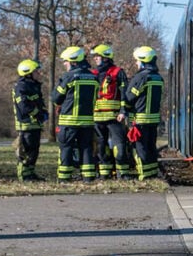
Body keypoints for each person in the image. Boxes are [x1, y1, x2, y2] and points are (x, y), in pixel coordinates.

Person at [52, 46, 98, 183]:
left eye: (65, 61)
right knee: (86, 149)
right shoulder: (93, 77)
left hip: (68, 122)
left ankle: (64, 178)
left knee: (66, 148)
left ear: (73, 61)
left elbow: (56, 98)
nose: (64, 64)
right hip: (88, 122)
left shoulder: (68, 77)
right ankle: (88, 177)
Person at [120, 45, 163, 180]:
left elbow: (130, 97)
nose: (136, 63)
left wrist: (124, 109)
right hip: (153, 120)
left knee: (140, 148)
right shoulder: (158, 77)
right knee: (151, 147)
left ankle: (144, 175)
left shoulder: (141, 78)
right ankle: (152, 173)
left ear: (143, 61)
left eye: (137, 60)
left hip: (140, 119)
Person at [90, 44, 128, 179]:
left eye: (97, 57)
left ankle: (122, 172)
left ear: (105, 58)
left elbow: (125, 93)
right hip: (97, 117)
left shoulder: (118, 72)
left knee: (120, 144)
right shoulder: (93, 74)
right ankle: (104, 173)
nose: (95, 59)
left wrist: (123, 111)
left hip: (114, 117)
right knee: (101, 146)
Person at [13, 59, 49, 181]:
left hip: (34, 125)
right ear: (28, 73)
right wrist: (37, 114)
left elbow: (38, 102)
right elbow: (24, 106)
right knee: (25, 152)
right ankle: (23, 175)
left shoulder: (33, 86)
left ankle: (30, 173)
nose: (39, 73)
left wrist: (43, 112)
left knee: (34, 151)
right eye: (36, 71)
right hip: (26, 125)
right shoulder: (21, 86)